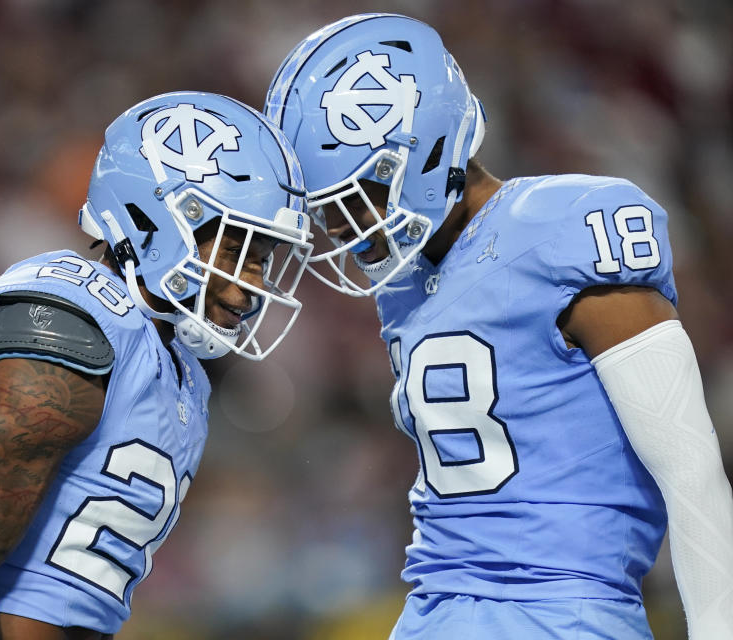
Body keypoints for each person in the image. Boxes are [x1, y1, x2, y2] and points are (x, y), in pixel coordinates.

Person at [264, 13, 733, 640]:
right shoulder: (405, 281)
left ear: (424, 151)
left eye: (355, 198)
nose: (344, 231)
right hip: (433, 608)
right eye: (329, 210)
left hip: (562, 613)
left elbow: (690, 467)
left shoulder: (567, 225)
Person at [0, 91, 313, 640]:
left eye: (263, 259)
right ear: (157, 223)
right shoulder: (73, 320)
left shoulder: (172, 363)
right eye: (236, 252)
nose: (251, 286)